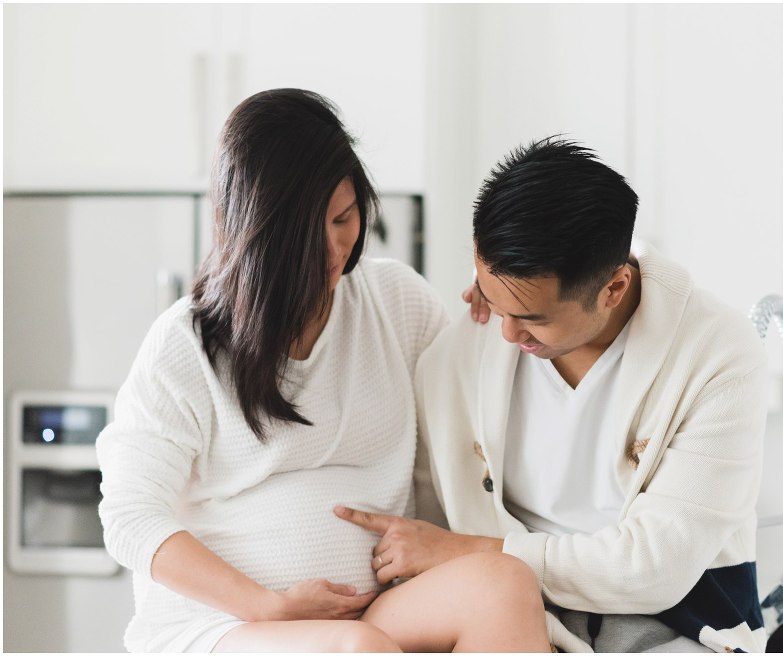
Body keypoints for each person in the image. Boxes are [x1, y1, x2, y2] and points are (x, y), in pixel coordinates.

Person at [96, 89, 552, 653]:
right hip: (224, 624)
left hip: (376, 609)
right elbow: (129, 518)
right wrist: (264, 606)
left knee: (505, 584)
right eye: (307, 230)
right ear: (257, 231)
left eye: (345, 217)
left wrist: (495, 306)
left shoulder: (396, 303)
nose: (334, 247)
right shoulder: (187, 343)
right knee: (358, 650)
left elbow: (475, 412)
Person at [336, 137, 770, 653]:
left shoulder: (717, 354)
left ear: (613, 288)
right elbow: (431, 513)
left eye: (532, 319)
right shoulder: (458, 357)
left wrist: (471, 552)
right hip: (512, 619)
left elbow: (654, 568)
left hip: (677, 625)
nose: (506, 335)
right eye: (494, 301)